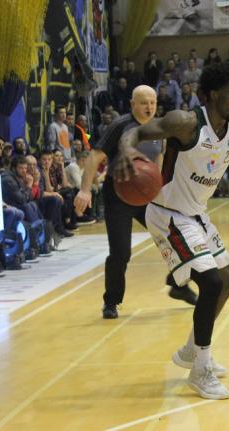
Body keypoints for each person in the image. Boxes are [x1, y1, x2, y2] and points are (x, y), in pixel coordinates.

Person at [114, 62, 229, 400]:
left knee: (226, 282)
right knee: (211, 283)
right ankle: (200, 371)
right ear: (213, 95)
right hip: (167, 213)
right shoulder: (186, 123)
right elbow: (137, 132)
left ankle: (192, 349)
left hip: (196, 214)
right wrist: (127, 149)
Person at [74, 85, 198, 320]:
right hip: (118, 195)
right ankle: (111, 301)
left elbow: (159, 156)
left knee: (177, 237)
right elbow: (95, 156)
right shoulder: (120, 126)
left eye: (152, 102)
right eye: (143, 103)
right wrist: (85, 190)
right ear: (132, 104)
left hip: (148, 194)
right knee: (120, 253)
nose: (149, 107)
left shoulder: (159, 127)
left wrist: (161, 189)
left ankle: (179, 285)